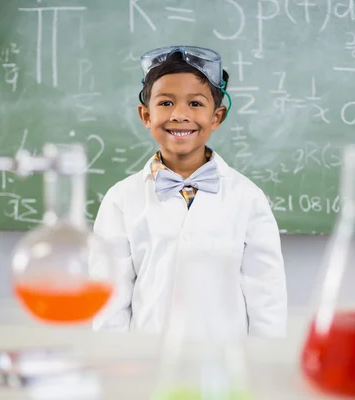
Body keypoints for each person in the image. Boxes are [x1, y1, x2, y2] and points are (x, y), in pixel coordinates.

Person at [92, 46, 287, 336]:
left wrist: (261, 365)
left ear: (216, 117)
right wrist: (119, 363)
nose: (180, 115)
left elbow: (266, 296)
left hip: (224, 365)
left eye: (195, 104)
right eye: (166, 103)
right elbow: (108, 298)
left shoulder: (248, 197)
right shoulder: (120, 200)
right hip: (147, 362)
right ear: (146, 115)